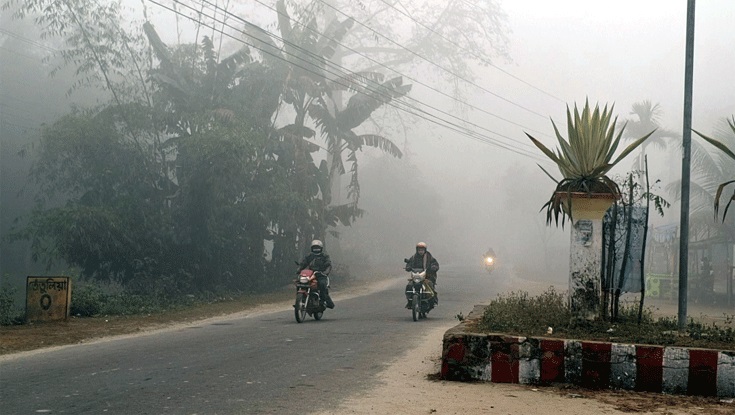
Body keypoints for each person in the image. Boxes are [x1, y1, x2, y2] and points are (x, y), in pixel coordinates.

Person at [297, 239, 335, 309]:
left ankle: (323, 301)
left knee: (322, 284)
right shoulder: (309, 256)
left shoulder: (325, 256)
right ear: (312, 248)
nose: (316, 249)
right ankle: (301, 299)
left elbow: (328, 265)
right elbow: (303, 263)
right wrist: (299, 269)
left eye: (317, 248)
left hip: (321, 274)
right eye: (314, 248)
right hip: (311, 274)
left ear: (321, 248)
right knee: (300, 282)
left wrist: (325, 273)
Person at [404, 242, 439, 308]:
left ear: (425, 250)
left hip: (427, 276)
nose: (421, 252)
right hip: (416, 276)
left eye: (422, 250)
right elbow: (409, 263)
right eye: (419, 250)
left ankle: (433, 301)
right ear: (417, 250)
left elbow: (435, 263)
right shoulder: (414, 257)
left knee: (429, 285)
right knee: (409, 285)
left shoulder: (429, 256)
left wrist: (433, 267)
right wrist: (408, 267)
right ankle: (410, 301)